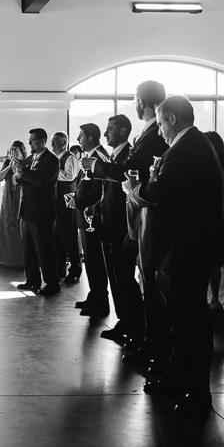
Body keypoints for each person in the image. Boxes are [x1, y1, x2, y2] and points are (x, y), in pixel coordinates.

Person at [127, 96, 224, 420]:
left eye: (159, 124)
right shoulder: (189, 146)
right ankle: (179, 379)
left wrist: (134, 189)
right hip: (182, 248)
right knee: (183, 323)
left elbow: (159, 191)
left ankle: (198, 393)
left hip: (187, 249)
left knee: (192, 324)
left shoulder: (188, 149)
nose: (159, 131)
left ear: (170, 118)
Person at [91, 80, 170, 370]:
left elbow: (127, 171)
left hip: (140, 220)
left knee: (136, 280)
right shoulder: (149, 134)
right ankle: (134, 327)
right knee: (124, 278)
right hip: (126, 217)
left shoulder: (151, 137)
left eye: (135, 99)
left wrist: (97, 168)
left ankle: (146, 335)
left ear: (142, 102)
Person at [95, 115, 144, 345]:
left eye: (110, 130)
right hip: (108, 224)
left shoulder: (128, 157)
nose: (105, 135)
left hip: (122, 227)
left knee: (125, 278)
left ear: (123, 131)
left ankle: (136, 325)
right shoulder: (113, 156)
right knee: (115, 277)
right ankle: (124, 319)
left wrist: (128, 231)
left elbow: (128, 196)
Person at [11, 128, 59, 295]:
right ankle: (32, 280)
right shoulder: (30, 158)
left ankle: (52, 283)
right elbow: (24, 179)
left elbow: (42, 181)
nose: (29, 142)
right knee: (28, 249)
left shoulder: (52, 160)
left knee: (44, 249)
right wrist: (17, 176)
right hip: (26, 210)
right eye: (29, 139)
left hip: (42, 211)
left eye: (32, 140)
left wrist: (23, 172)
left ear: (42, 141)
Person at [72, 123, 109, 315]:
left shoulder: (99, 157)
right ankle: (94, 295)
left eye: (80, 136)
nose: (78, 140)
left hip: (92, 216)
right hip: (85, 214)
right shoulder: (89, 156)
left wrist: (81, 203)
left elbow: (98, 190)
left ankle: (100, 300)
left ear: (90, 139)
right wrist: (76, 197)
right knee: (90, 258)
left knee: (94, 258)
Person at [203, 131, 224, 313]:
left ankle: (209, 301)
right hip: (218, 217)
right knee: (213, 261)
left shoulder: (207, 167)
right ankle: (215, 300)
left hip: (205, 216)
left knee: (204, 261)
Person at [50, 132, 81, 283]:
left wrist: (52, 171)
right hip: (56, 200)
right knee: (57, 236)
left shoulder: (70, 158)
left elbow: (69, 176)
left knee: (69, 235)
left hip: (67, 200)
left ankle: (75, 268)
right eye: (51, 142)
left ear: (64, 143)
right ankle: (60, 268)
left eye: (55, 142)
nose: (52, 145)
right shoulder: (55, 159)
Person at [0, 141, 26, 267]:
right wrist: (9, 166)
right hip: (8, 197)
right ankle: (2, 257)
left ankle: (20, 259)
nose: (14, 152)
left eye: (16, 150)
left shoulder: (26, 162)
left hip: (21, 196)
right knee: (5, 224)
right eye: (11, 150)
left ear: (22, 151)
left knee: (20, 225)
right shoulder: (7, 163)